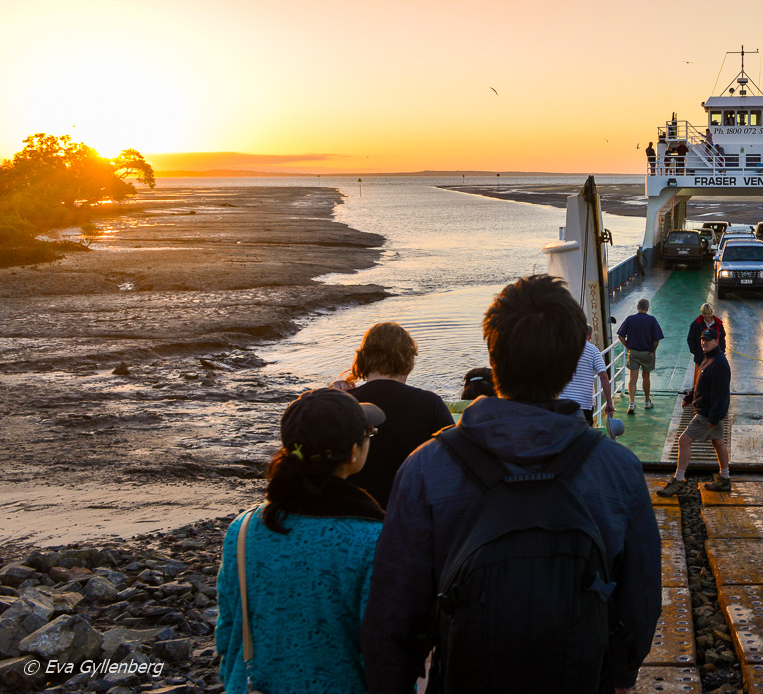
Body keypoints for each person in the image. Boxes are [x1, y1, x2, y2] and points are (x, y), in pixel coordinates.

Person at [362, 275, 661, 694]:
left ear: (492, 352)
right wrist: (621, 677)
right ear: (575, 356)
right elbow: (642, 597)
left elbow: (392, 614)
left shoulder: (426, 468)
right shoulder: (618, 470)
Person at [216, 389, 386, 694]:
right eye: (368, 433)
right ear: (352, 453)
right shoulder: (372, 541)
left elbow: (227, 632)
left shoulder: (241, 530)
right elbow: (382, 653)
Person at [336, 322, 454, 509]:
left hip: (351, 514)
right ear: (408, 361)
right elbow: (455, 464)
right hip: (411, 515)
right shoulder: (429, 404)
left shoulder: (342, 404)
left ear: (363, 358)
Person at [659, 328, 731, 496]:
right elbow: (701, 383)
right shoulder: (708, 359)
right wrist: (689, 397)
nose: (703, 342)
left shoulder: (719, 363)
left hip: (707, 413)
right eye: (702, 339)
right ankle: (725, 478)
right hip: (711, 411)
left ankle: (678, 480)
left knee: (684, 441)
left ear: (716, 341)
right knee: (718, 442)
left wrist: (713, 418)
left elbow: (721, 394)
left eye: (707, 340)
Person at [617, 298, 663, 415]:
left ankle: (632, 403)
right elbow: (656, 340)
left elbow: (620, 336)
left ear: (637, 307)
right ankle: (647, 401)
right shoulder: (652, 320)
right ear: (647, 308)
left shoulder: (630, 319)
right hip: (647, 352)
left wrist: (628, 347)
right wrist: (653, 350)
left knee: (633, 378)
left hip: (633, 353)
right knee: (646, 376)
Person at [561, 325, 615, 424]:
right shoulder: (593, 350)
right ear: (590, 336)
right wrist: (609, 402)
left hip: (563, 402)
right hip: (584, 403)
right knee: (585, 437)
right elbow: (603, 376)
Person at [686, 303, 726, 391]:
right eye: (704, 314)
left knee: (714, 378)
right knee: (701, 379)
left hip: (715, 357)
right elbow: (690, 339)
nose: (707, 316)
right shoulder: (696, 324)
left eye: (708, 313)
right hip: (701, 357)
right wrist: (697, 352)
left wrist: (721, 351)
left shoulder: (718, 324)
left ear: (712, 313)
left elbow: (722, 338)